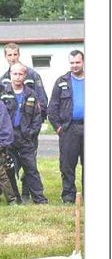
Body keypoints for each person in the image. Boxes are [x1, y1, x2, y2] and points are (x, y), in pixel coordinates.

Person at [0, 64, 47, 203]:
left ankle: (39, 199)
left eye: (20, 74)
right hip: (9, 137)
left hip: (25, 137)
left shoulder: (31, 94)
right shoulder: (3, 93)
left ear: (25, 76)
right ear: (10, 75)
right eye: (14, 74)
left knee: (31, 169)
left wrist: (31, 134)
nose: (17, 77)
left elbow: (37, 118)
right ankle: (15, 199)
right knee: (9, 170)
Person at [48, 48, 84, 204]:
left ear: (83, 62)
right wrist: (58, 127)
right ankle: (68, 196)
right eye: (72, 63)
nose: (75, 65)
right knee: (67, 165)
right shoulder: (61, 81)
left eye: (77, 62)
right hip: (69, 129)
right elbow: (52, 107)